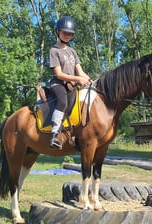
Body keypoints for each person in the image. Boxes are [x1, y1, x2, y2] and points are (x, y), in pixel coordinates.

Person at [49, 16, 91, 149]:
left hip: (71, 85)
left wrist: (90, 81)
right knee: (63, 102)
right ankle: (54, 134)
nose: (67, 35)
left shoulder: (72, 51)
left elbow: (80, 71)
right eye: (65, 32)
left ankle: (75, 134)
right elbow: (59, 74)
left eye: (70, 33)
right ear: (57, 32)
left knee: (79, 104)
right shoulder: (54, 51)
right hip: (58, 83)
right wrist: (78, 79)